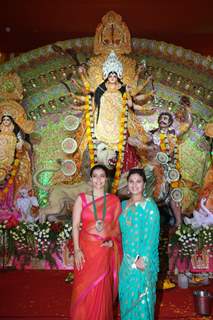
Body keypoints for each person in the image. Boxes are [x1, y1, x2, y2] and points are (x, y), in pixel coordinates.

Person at [70, 164, 122, 320]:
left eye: (102, 176)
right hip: (85, 252)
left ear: (106, 179)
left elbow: (117, 229)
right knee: (82, 288)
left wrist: (113, 243)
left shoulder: (114, 201)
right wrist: (77, 250)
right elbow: (74, 226)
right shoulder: (82, 199)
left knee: (101, 289)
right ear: (91, 179)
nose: (98, 179)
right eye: (95, 176)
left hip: (103, 252)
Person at [119, 168, 160, 320]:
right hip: (126, 261)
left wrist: (144, 258)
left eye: (138, 181)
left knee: (141, 301)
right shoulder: (123, 205)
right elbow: (116, 230)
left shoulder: (149, 206)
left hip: (140, 261)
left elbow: (152, 235)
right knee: (126, 300)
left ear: (144, 185)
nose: (134, 185)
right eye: (131, 181)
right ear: (127, 184)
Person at [0, 113, 33, 214]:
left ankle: (8, 205)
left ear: (11, 121)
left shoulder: (16, 133)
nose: (6, 122)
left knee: (9, 182)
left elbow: (22, 143)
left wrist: (20, 143)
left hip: (11, 163)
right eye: (4, 120)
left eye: (8, 120)